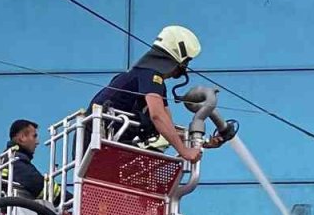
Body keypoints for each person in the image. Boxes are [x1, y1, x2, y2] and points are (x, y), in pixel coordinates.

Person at [89, 25, 223, 162]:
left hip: (102, 144)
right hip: (96, 142)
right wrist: (185, 152)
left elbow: (167, 127)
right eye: (186, 61)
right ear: (178, 59)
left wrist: (199, 142)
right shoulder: (150, 76)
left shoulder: (150, 81)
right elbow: (158, 116)